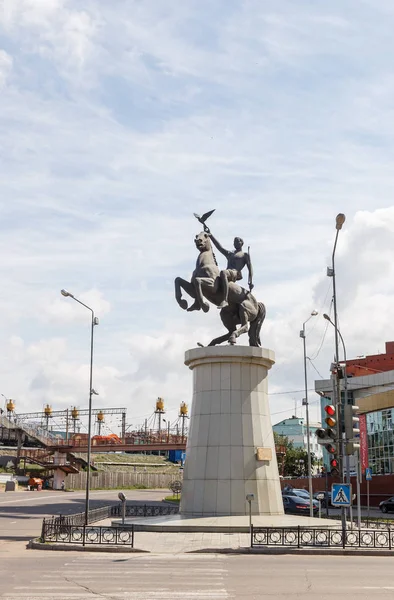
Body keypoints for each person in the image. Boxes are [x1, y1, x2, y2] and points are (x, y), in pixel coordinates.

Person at [208, 232, 254, 307]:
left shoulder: (244, 255)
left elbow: (250, 269)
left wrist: (250, 281)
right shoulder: (230, 254)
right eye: (234, 242)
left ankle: (225, 300)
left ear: (242, 243)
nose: (235, 243)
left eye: (237, 241)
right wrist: (211, 236)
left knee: (223, 272)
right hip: (228, 272)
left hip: (234, 273)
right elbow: (219, 247)